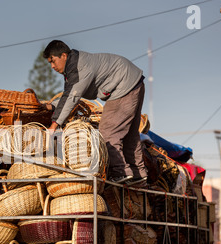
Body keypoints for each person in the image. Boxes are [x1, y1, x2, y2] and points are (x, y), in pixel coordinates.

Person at [41, 40, 147, 186]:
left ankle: (121, 172)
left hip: (124, 86)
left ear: (64, 55)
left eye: (53, 61)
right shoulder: (75, 65)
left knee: (107, 131)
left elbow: (72, 96)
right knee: (129, 134)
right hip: (134, 82)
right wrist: (51, 106)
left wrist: (54, 125)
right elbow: (69, 94)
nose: (52, 66)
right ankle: (138, 174)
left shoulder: (79, 67)